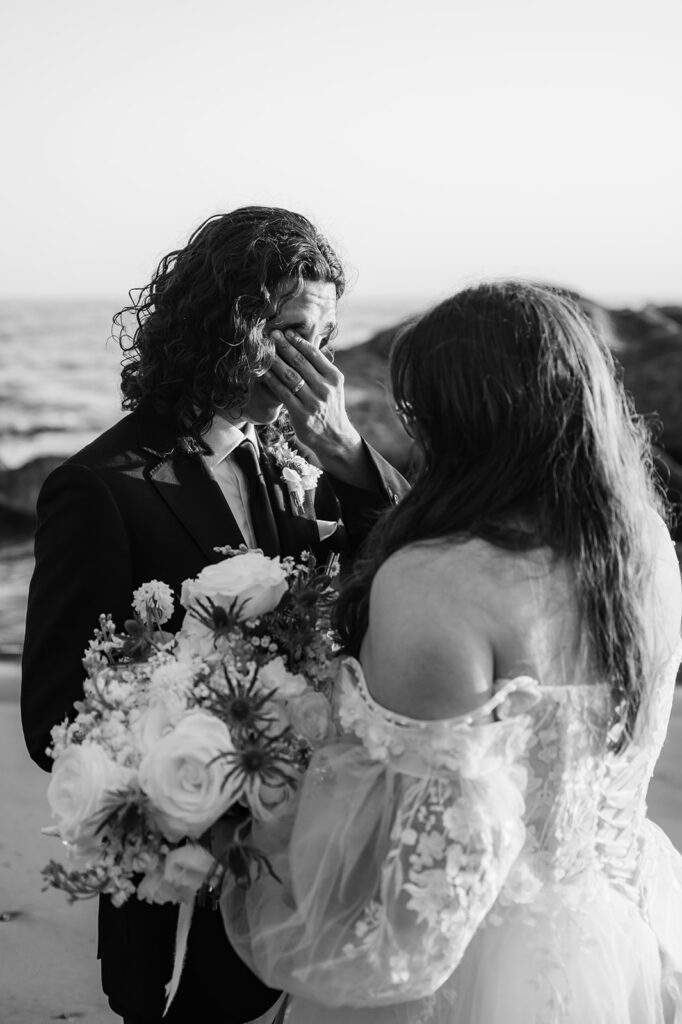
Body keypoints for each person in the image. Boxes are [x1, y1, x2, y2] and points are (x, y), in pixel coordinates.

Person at [221, 281, 682, 1023]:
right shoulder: (648, 551)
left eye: (415, 413)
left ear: (457, 419)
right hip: (611, 941)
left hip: (462, 971)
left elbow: (396, 862)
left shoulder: (434, 582)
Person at [21, 206, 408, 1024]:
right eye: (295, 331)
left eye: (327, 338)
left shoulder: (298, 467)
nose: (317, 364)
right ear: (229, 327)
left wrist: (347, 458)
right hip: (181, 896)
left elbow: (402, 573)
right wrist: (217, 736)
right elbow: (52, 716)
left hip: (308, 879)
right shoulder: (104, 488)